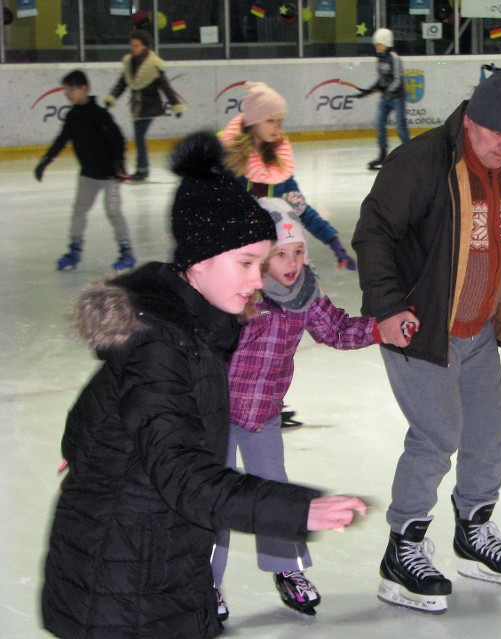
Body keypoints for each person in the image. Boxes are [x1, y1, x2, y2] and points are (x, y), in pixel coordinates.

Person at [41, 130, 367, 639]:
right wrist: (293, 509)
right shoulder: (163, 344)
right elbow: (184, 476)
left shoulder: (189, 325)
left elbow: (103, 395)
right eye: (245, 263)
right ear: (198, 259)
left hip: (156, 564)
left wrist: (84, 444)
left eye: (260, 264)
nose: (259, 280)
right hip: (120, 587)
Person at [352, 67, 501, 614]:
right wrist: (387, 308)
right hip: (422, 324)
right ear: (470, 119)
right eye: (493, 134)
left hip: (479, 326)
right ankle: (403, 548)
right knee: (437, 435)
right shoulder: (422, 162)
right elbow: (373, 232)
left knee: (489, 432)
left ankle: (473, 531)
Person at [212, 198, 387, 620]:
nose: (290, 263)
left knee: (273, 493)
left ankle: (287, 569)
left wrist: (382, 327)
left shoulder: (305, 292)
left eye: (297, 253)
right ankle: (204, 579)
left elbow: (337, 330)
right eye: (279, 254)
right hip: (213, 415)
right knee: (213, 501)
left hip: (264, 414)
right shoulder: (240, 293)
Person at [220, 81, 356, 271]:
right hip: (236, 258)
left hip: (273, 258)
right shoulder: (229, 165)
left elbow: (301, 210)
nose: (277, 127)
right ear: (252, 121)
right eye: (270, 120)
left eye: (280, 120)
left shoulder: (278, 168)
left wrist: (334, 243)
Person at [34, 70, 135, 272]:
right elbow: (61, 140)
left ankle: (127, 252)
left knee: (113, 211)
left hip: (109, 176)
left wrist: (120, 164)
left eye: (71, 90)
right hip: (88, 175)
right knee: (79, 210)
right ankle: (74, 250)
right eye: (66, 90)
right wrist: (45, 161)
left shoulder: (99, 114)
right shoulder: (72, 116)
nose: (67, 94)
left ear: (84, 89)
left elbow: (118, 139)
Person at [104, 29, 186, 182]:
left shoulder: (153, 65)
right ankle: (143, 169)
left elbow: (165, 87)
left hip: (150, 107)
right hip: (137, 108)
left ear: (145, 47)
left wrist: (176, 105)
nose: (133, 49)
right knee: (139, 138)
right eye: (132, 46)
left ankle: (142, 170)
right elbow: (121, 84)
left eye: (136, 46)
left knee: (139, 137)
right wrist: (112, 97)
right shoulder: (129, 63)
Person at [356, 28, 410, 170]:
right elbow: (381, 81)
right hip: (385, 98)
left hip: (397, 98)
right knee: (380, 125)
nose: (377, 47)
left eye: (379, 44)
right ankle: (382, 155)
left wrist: (388, 91)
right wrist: (367, 91)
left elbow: (398, 79)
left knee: (400, 127)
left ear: (386, 43)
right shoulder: (380, 59)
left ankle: (410, 154)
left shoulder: (394, 58)